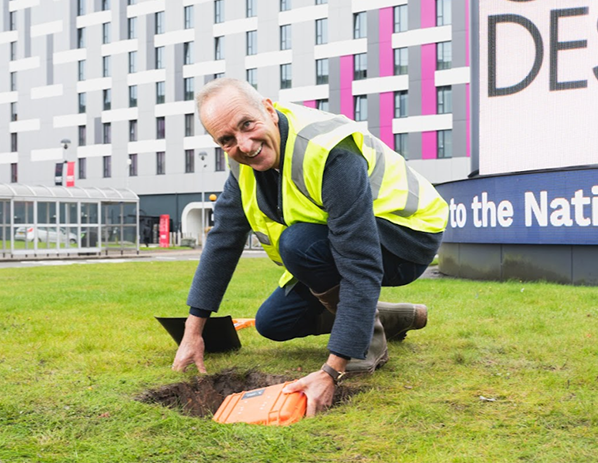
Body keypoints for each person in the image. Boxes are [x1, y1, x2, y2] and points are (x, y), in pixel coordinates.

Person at [172, 78, 448, 416]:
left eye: (247, 125)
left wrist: (332, 370)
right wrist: (193, 331)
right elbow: (223, 241)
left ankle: (367, 341)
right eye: (227, 140)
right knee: (273, 322)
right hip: (338, 245)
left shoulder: (327, 151)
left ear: (269, 110)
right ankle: (395, 317)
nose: (244, 145)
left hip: (406, 236)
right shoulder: (242, 167)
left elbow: (359, 261)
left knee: (298, 243)